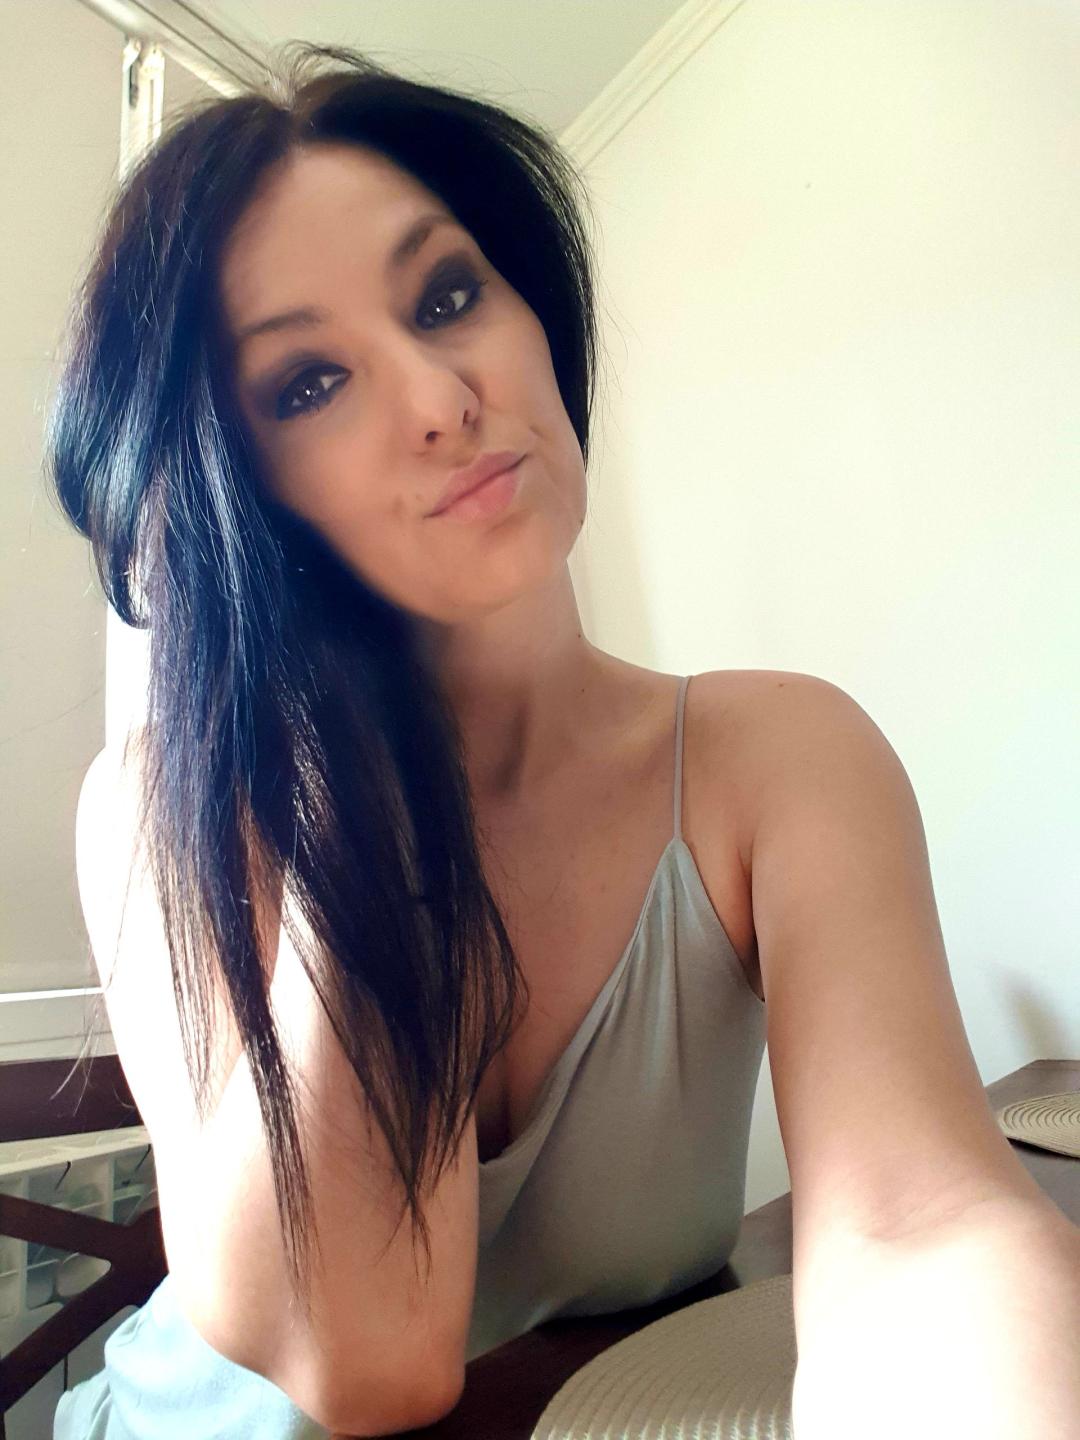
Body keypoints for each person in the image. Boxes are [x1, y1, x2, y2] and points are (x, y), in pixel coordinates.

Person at [45, 39, 771, 1439]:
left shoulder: (764, 760)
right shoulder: (153, 807)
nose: (443, 401)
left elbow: (923, 1213)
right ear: (234, 495)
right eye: (307, 385)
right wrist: (354, 732)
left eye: (447, 295)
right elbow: (366, 1363)